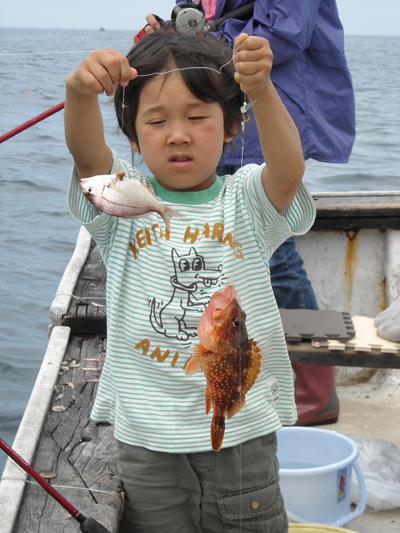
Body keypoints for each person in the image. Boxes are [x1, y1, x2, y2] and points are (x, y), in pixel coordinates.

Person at [65, 29, 315, 532]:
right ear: (133, 138)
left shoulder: (246, 200)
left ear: (230, 126)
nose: (177, 133)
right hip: (147, 436)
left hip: (242, 433)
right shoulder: (125, 202)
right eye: (156, 121)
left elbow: (287, 174)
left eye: (198, 117)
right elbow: (90, 159)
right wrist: (79, 95)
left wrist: (261, 90)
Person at [144, 0, 356, 426]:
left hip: (265, 116)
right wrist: (172, 39)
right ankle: (235, 379)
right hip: (226, 110)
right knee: (235, 247)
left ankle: (313, 388)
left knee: (275, 254)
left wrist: (192, 47)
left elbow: (285, 33)